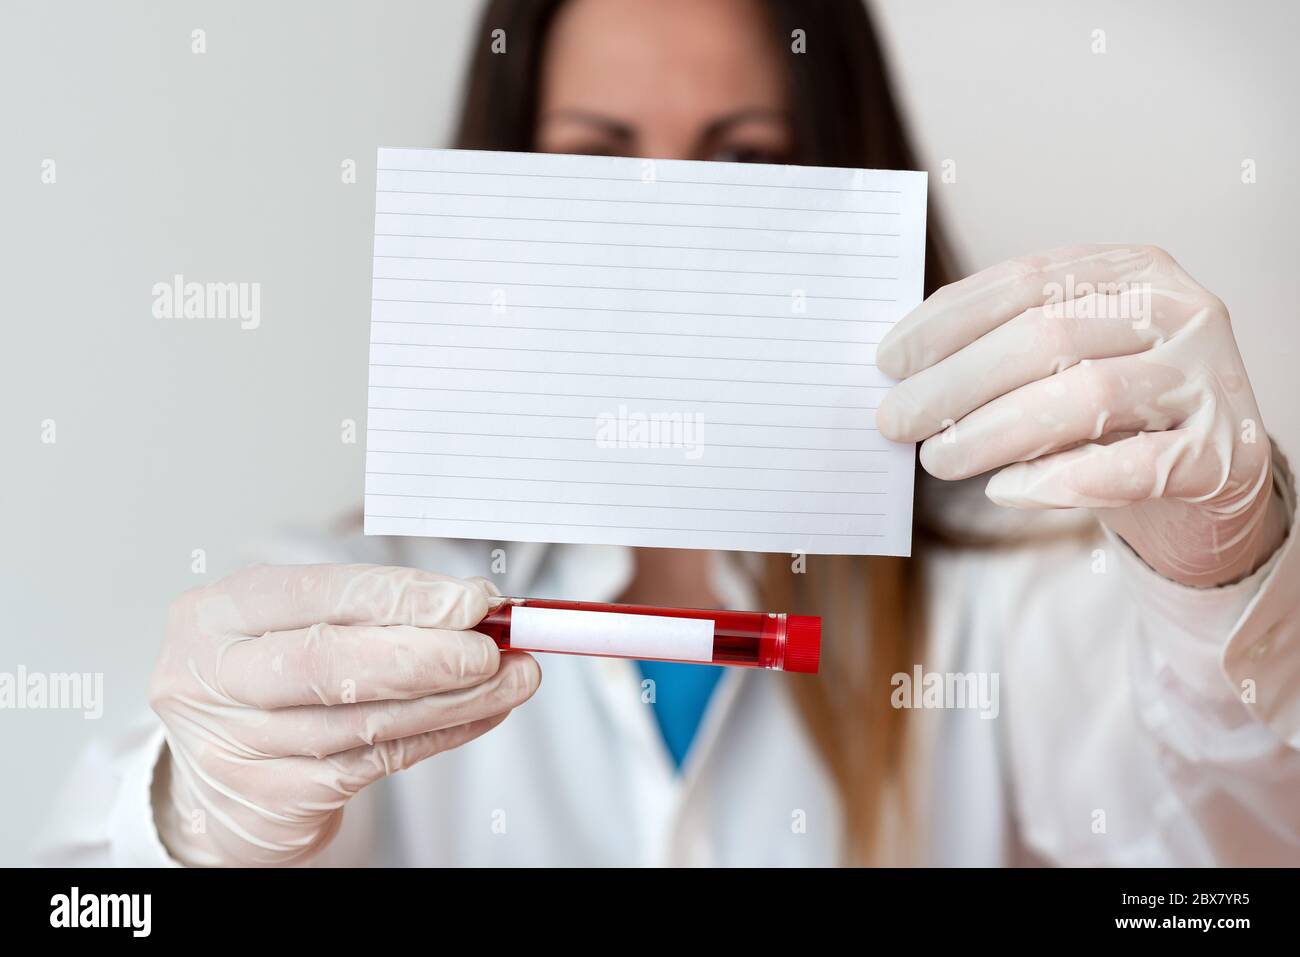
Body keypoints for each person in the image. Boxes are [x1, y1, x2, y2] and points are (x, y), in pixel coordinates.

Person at [40, 0, 1300, 867]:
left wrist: (1226, 572)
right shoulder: (342, 608)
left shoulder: (1020, 595)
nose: (672, 228)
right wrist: (191, 820)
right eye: (595, 159)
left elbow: (1221, 868)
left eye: (748, 160)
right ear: (505, 182)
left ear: (844, 181)